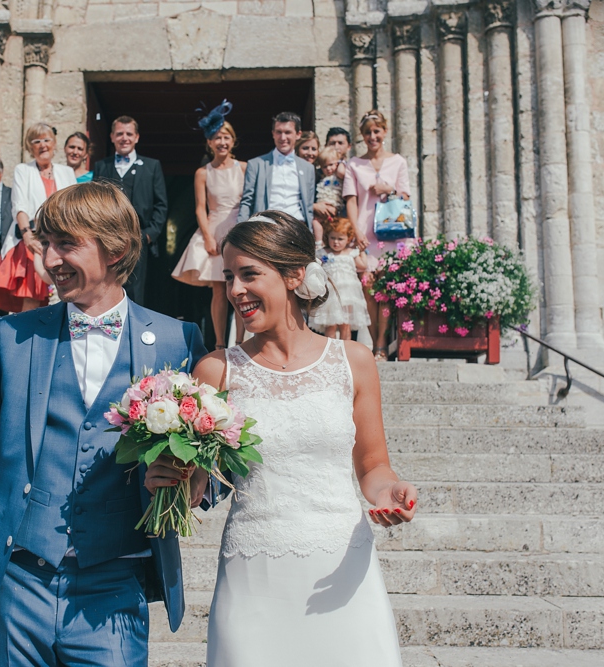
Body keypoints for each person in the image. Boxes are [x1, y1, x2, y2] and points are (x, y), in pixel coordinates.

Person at [0, 182, 208, 667]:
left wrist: (192, 481)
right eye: (44, 243)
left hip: (116, 591)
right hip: (19, 584)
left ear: (117, 250)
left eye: (66, 244)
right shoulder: (10, 338)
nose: (48, 259)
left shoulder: (176, 340)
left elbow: (213, 456)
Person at [173, 210, 415, 666]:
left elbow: (372, 467)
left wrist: (391, 492)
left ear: (294, 275)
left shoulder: (354, 360)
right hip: (253, 572)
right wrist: (175, 474)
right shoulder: (216, 371)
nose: (236, 290)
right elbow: (191, 489)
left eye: (249, 274)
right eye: (229, 277)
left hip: (343, 571)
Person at [0, 124, 77, 313]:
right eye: (36, 141)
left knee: (67, 297)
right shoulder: (23, 170)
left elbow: (74, 207)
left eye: (46, 140)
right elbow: (20, 205)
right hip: (34, 238)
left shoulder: (66, 172)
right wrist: (28, 236)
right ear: (30, 146)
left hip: (62, 241)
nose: (42, 145)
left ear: (54, 144)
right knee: (31, 299)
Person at [172, 118, 247, 350]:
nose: (222, 142)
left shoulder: (244, 167)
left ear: (233, 141)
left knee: (241, 286)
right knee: (219, 289)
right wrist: (207, 237)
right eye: (217, 138)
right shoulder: (202, 172)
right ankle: (220, 343)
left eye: (226, 137)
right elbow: (199, 207)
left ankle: (240, 340)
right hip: (214, 227)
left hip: (239, 227)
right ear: (209, 142)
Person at [343, 110, 410, 361]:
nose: (373, 136)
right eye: (368, 132)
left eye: (377, 131)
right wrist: (356, 231)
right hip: (365, 233)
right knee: (369, 291)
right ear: (362, 136)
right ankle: (374, 341)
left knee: (388, 291)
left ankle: (382, 344)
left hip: (392, 233)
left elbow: (406, 197)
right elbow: (350, 200)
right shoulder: (354, 164)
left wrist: (389, 188)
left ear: (385, 131)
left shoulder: (398, 162)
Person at [92, 116, 168, 305]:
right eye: (119, 134)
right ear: (112, 137)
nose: (124, 138)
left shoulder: (152, 166)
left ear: (136, 137)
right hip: (107, 239)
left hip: (140, 240)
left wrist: (149, 234)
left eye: (129, 134)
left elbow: (161, 204)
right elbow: (93, 202)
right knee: (107, 287)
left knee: (137, 292)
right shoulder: (102, 166)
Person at [237, 112, 317, 231]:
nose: (283, 138)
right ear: (273, 134)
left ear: (298, 134)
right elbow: (247, 202)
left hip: (297, 228)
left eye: (288, 132)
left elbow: (308, 206)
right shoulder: (256, 164)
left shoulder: (308, 168)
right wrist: (240, 231)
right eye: (279, 132)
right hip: (266, 228)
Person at [310, 216, 370, 340]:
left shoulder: (351, 253)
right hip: (330, 295)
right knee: (330, 324)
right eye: (333, 238)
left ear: (348, 239)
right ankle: (330, 353)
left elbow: (363, 265)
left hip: (347, 295)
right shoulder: (323, 253)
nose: (336, 242)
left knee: (345, 324)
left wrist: (362, 251)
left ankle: (345, 353)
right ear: (327, 237)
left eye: (340, 239)